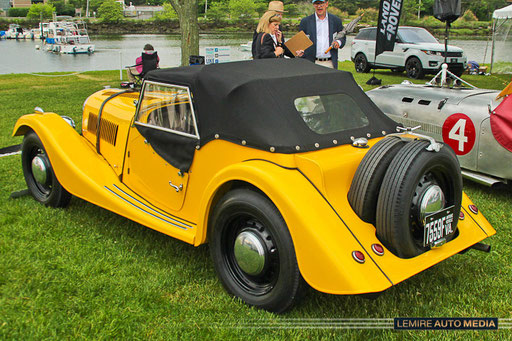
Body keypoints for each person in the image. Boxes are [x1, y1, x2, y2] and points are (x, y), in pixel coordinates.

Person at [299, 0, 345, 69]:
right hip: (311, 63)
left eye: (321, 3)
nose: (319, 6)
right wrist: (300, 51)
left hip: (330, 63)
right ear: (313, 5)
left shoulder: (336, 20)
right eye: (316, 4)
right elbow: (300, 42)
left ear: (326, 4)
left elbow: (343, 37)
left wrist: (338, 42)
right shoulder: (305, 21)